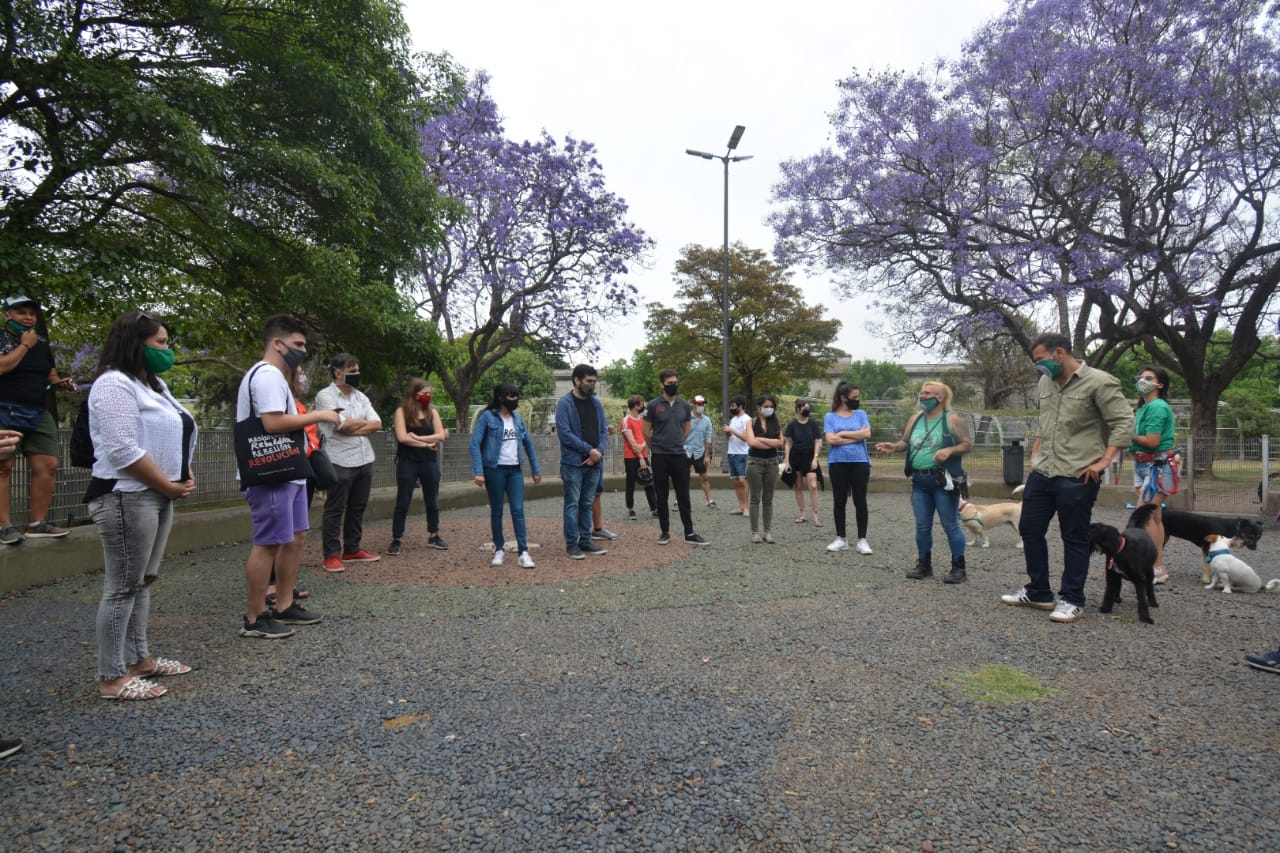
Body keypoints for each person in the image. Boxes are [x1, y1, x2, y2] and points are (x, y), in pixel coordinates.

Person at [87, 312, 197, 698]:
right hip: (126, 495)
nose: (167, 350)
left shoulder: (154, 385)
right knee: (123, 586)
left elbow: (172, 433)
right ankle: (112, 677)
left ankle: (138, 660)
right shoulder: (113, 384)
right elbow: (122, 450)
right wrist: (167, 485)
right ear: (137, 344)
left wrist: (181, 474)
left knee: (143, 581)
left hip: (157, 495)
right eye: (161, 343)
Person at [1000, 333, 1133, 622]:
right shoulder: (1045, 383)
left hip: (1077, 473)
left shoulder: (1100, 382)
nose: (1038, 366)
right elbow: (1045, 421)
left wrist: (1104, 462)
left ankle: (1072, 599)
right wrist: (1035, 455)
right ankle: (1038, 592)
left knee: (1074, 536)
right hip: (1043, 471)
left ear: (1059, 352)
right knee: (1029, 529)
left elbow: (1123, 422)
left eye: (1040, 359)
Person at [237, 315, 336, 639]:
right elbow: (273, 423)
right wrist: (319, 415)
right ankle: (255, 617)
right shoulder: (267, 375)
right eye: (298, 344)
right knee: (268, 543)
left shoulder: (277, 377)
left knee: (295, 537)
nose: (302, 351)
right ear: (277, 343)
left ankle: (284, 604)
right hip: (270, 471)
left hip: (289, 468)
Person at [876, 381, 972, 583]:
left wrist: (950, 450)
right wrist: (894, 447)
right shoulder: (915, 419)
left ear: (940, 397)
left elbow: (967, 444)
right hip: (920, 481)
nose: (922, 396)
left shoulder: (952, 419)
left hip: (943, 481)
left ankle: (959, 568)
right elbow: (905, 442)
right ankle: (924, 565)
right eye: (921, 392)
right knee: (922, 526)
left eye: (928, 393)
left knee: (950, 525)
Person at [0, 295, 75, 543]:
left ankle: (37, 524)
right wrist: (24, 346)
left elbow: (49, 373)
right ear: (7, 315)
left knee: (48, 465)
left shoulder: (41, 343)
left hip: (37, 411)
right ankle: (3, 527)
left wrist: (61, 383)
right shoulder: (4, 338)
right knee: (3, 467)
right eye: (21, 312)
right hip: (4, 408)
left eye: (32, 313)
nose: (28, 317)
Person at [314, 353, 381, 572]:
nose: (357, 374)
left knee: (358, 507)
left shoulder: (361, 397)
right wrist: (358, 424)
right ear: (337, 372)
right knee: (335, 508)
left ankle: (352, 549)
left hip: (364, 458)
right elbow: (340, 426)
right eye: (352, 371)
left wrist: (352, 425)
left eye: (357, 370)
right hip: (338, 459)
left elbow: (377, 424)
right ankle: (331, 555)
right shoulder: (325, 396)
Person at [470, 382, 541, 568]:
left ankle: (523, 552)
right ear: (500, 398)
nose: (515, 399)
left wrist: (536, 469)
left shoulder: (518, 419)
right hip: (494, 469)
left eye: (516, 396)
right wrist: (478, 471)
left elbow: (528, 444)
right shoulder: (487, 417)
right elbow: (475, 443)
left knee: (518, 509)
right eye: (511, 396)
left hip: (515, 470)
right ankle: (499, 549)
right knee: (497, 510)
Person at [644, 369, 708, 546]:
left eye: (675, 382)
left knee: (683, 495)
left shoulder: (684, 405)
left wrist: (679, 442)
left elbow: (687, 428)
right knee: (661, 495)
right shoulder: (653, 405)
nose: (673, 385)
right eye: (669, 383)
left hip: (679, 456)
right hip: (660, 457)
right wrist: (656, 447)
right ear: (662, 385)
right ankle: (664, 532)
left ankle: (689, 532)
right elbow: (645, 432)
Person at [388, 378, 449, 556]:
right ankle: (397, 537)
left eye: (429, 393)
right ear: (414, 394)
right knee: (403, 501)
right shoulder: (402, 412)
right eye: (424, 393)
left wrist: (418, 438)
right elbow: (402, 437)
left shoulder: (432, 412)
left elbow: (441, 435)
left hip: (428, 462)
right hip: (408, 461)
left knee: (432, 500)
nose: (427, 396)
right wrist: (426, 444)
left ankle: (434, 534)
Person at [556, 364, 608, 559]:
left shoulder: (596, 404)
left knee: (586, 502)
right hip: (573, 463)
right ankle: (572, 543)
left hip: (595, 462)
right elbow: (565, 434)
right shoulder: (565, 404)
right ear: (576, 380)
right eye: (588, 381)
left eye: (594, 381)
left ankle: (585, 540)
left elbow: (604, 430)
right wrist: (589, 450)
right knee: (572, 504)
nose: (592, 385)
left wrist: (598, 452)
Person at [1130, 365, 1176, 584]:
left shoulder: (1157, 406)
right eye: (1141, 377)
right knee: (1154, 517)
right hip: (1144, 465)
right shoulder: (1144, 408)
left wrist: (1127, 435)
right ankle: (1157, 566)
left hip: (1157, 465)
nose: (1143, 380)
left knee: (1144, 515)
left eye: (1149, 378)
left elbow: (1152, 441)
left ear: (1160, 384)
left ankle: (1154, 566)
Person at [825, 383, 873, 554]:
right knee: (839, 500)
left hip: (860, 462)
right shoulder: (829, 417)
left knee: (860, 500)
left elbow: (867, 434)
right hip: (837, 463)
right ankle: (841, 538)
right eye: (854, 397)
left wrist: (842, 433)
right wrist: (856, 437)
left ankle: (862, 540)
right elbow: (831, 440)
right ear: (843, 398)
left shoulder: (861, 414)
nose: (857, 400)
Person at [744, 394, 784, 543]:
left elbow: (780, 442)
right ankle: (755, 532)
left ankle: (768, 531)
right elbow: (751, 442)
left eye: (771, 406)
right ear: (759, 407)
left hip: (772, 463)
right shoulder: (751, 422)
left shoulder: (776, 422)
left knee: (768, 499)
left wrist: (760, 439)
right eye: (766, 406)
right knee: (755, 498)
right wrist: (770, 442)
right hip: (755, 462)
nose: (769, 409)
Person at [784, 398, 822, 526]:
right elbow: (788, 443)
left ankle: (815, 515)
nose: (807, 410)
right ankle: (803, 513)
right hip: (795, 456)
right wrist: (787, 461)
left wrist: (815, 458)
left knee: (813, 485)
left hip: (810, 456)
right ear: (798, 409)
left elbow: (817, 441)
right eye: (805, 408)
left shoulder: (813, 424)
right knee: (798, 486)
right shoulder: (792, 425)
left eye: (808, 408)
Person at [620, 395, 657, 520]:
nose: (643, 406)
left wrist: (643, 447)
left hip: (644, 455)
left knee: (649, 482)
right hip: (631, 457)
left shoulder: (643, 420)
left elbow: (647, 436)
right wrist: (641, 456)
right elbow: (632, 443)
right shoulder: (626, 421)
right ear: (635, 405)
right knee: (630, 483)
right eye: (641, 404)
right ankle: (630, 509)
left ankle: (654, 508)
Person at [685, 394, 717, 509]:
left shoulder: (707, 420)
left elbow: (708, 438)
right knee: (682, 477)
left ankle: (710, 500)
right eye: (699, 404)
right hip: (685, 451)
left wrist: (707, 455)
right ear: (693, 405)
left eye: (703, 404)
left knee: (704, 477)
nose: (701, 406)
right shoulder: (686, 418)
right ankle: (678, 501)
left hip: (699, 452)